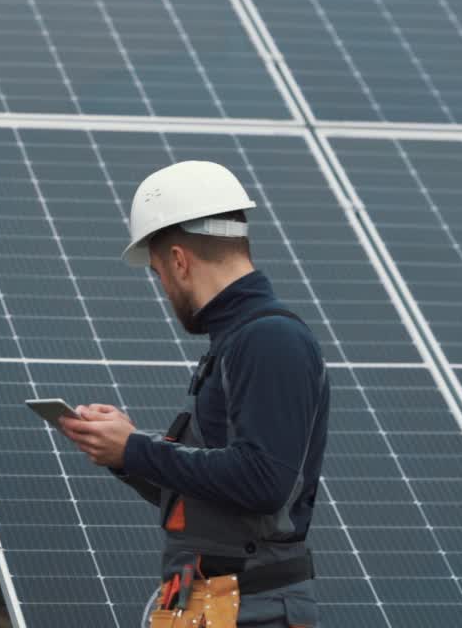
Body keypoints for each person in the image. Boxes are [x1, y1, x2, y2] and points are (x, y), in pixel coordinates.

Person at [58, 161, 329, 628]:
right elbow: (214, 490)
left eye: (160, 271)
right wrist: (123, 454)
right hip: (214, 603)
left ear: (180, 261)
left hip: (252, 609)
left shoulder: (268, 340)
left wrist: (137, 448)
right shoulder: (236, 341)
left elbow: (265, 480)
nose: (163, 286)